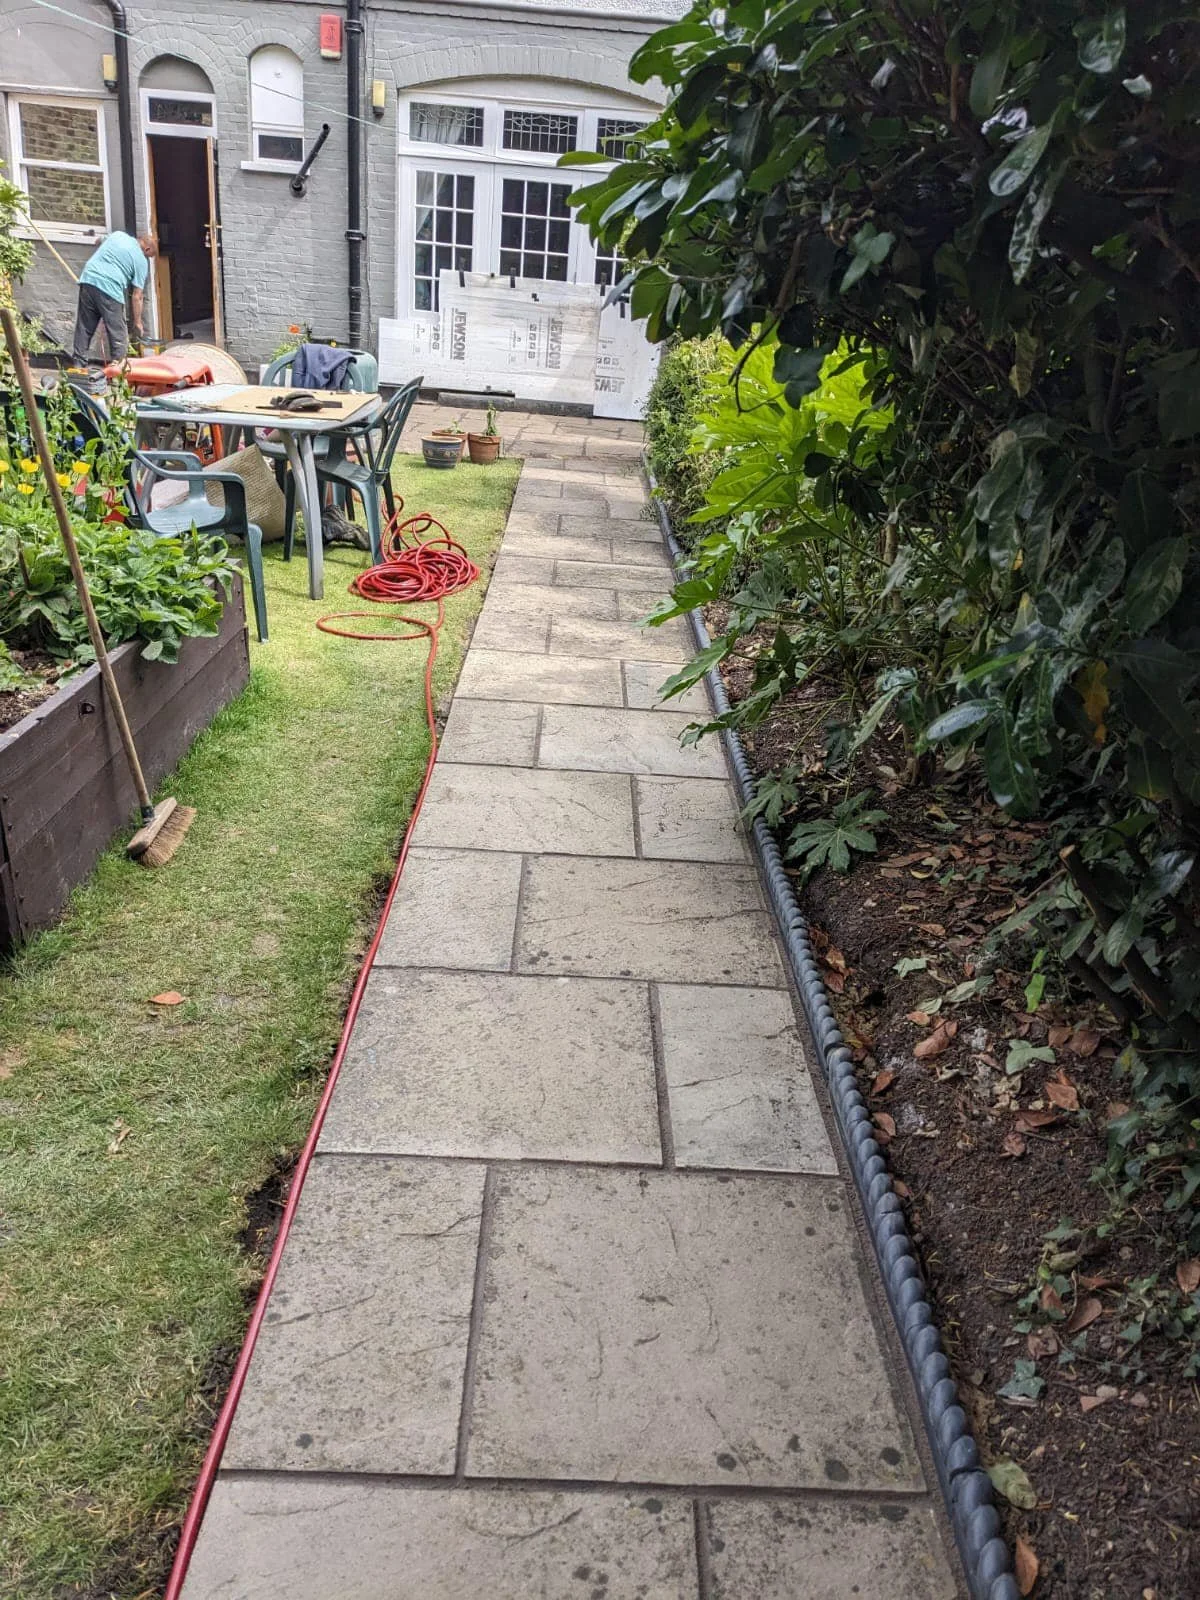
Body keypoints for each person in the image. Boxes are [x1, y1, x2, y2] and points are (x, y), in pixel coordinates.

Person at [72, 231, 157, 365]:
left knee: (84, 327)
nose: (147, 258)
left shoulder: (118, 235)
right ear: (146, 249)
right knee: (118, 333)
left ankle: (78, 365)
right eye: (149, 255)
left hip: (88, 280)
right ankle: (118, 372)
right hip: (110, 289)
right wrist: (138, 322)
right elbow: (137, 296)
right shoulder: (141, 261)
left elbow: (98, 241)